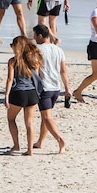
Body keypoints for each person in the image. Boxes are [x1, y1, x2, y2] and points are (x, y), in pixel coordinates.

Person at [32, 24, 69, 154]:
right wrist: (67, 89)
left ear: (40, 36)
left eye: (35, 36)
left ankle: (60, 140)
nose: (34, 38)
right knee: (45, 115)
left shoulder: (37, 49)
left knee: (47, 117)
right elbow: (63, 71)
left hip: (45, 88)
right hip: (56, 88)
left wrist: (34, 87)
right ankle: (40, 141)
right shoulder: (59, 50)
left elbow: (36, 70)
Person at [4, 36, 43, 156]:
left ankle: (16, 145)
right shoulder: (33, 60)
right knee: (29, 123)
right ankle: (30, 150)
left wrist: (6, 96)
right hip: (32, 93)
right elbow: (37, 78)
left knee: (11, 119)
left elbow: (10, 79)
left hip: (18, 93)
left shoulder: (12, 61)